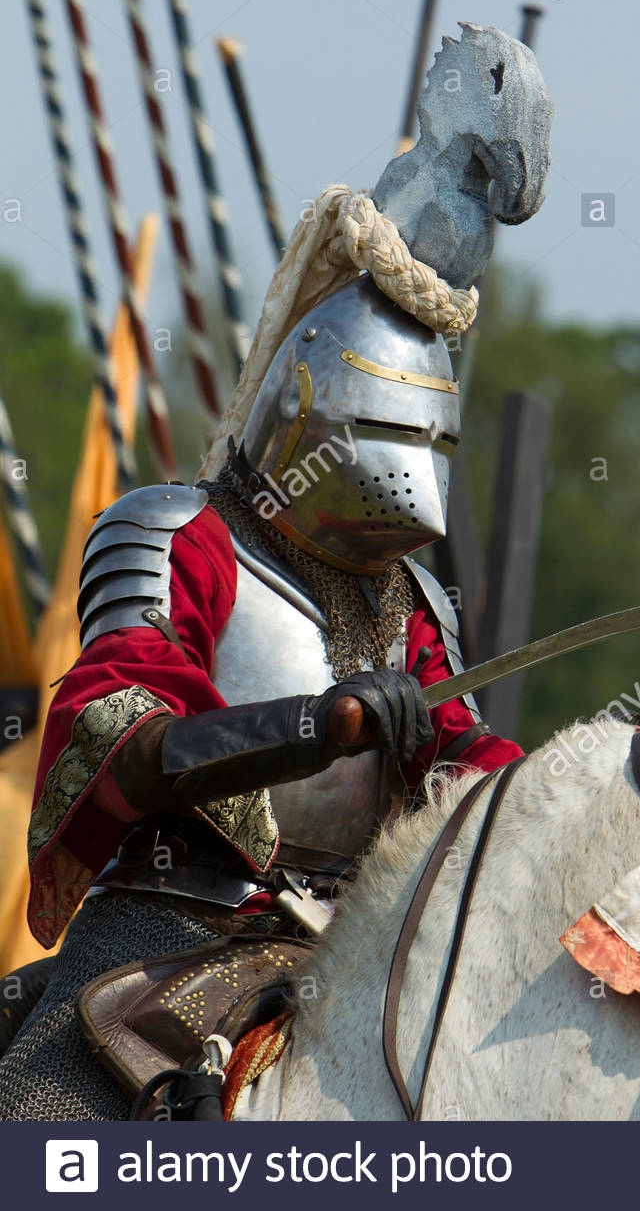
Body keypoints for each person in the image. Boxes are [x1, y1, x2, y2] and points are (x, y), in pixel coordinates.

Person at [0, 276, 522, 1120]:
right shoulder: (181, 533)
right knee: (40, 1115)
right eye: (391, 433)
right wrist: (319, 725)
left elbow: (463, 757)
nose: (416, 473)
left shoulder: (412, 599)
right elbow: (118, 728)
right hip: (179, 919)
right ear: (307, 416)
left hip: (357, 938)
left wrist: (577, 785)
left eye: (435, 444)